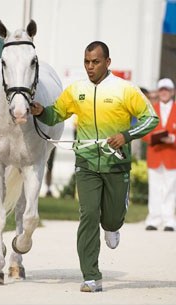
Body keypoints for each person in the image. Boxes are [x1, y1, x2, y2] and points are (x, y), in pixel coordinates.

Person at [30, 41, 159, 292]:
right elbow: (55, 114)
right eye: (87, 62)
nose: (90, 67)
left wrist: (126, 135)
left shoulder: (125, 90)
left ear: (107, 62)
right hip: (86, 162)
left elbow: (151, 119)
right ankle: (91, 275)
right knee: (88, 215)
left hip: (116, 163)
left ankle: (113, 225)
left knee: (109, 220)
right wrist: (39, 111)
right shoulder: (76, 90)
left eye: (95, 62)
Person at [142, 78, 176, 232]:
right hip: (155, 154)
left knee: (171, 189)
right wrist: (154, 138)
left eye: (167, 90)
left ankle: (169, 220)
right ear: (158, 91)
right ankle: (153, 220)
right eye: (161, 89)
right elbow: (143, 130)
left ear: (172, 92)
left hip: (172, 156)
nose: (164, 92)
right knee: (155, 188)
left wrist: (172, 139)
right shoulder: (150, 109)